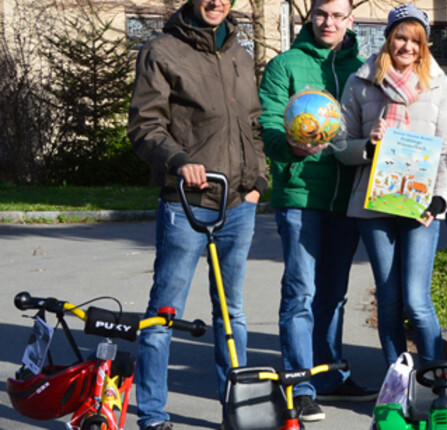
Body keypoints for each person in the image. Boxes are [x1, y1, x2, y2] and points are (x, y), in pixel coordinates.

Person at [127, 0, 267, 428]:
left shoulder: (239, 54)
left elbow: (254, 124)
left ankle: (237, 410)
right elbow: (144, 125)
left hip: (238, 203)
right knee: (162, 313)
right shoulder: (162, 51)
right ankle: (152, 413)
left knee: (232, 313)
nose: (216, 2)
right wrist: (178, 160)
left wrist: (259, 183)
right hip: (185, 202)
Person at [257, 0, 373, 420]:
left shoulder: (363, 68)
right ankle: (299, 383)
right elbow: (269, 122)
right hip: (302, 195)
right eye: (322, 14)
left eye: (338, 15)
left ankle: (328, 377)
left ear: (350, 20)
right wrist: (288, 146)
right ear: (312, 16)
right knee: (301, 293)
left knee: (334, 295)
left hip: (348, 199)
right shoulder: (285, 65)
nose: (329, 22)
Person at [335, 2, 447, 375]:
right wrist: (368, 146)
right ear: (389, 38)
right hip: (374, 206)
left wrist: (440, 199)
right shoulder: (361, 81)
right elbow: (340, 144)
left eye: (416, 41)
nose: (407, 47)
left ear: (424, 45)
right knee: (388, 299)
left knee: (417, 300)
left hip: (422, 206)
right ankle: (398, 378)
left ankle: (439, 381)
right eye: (401, 38)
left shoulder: (438, 84)